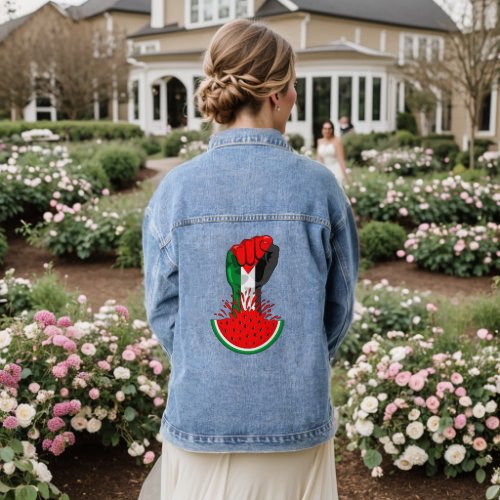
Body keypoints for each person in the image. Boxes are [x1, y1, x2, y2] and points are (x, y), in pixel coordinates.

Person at [141, 19, 359, 500]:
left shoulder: (175, 189)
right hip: (294, 416)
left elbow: (163, 310)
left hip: (201, 414)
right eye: (295, 86)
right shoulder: (319, 187)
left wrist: (210, 360)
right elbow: (339, 308)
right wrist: (294, 358)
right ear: (278, 94)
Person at [316, 120, 349, 185]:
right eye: (325, 128)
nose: (327, 131)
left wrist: (346, 177)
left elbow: (341, 160)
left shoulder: (337, 141)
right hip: (324, 170)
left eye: (329, 129)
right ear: (322, 130)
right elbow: (319, 159)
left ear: (332, 130)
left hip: (336, 171)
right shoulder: (319, 141)